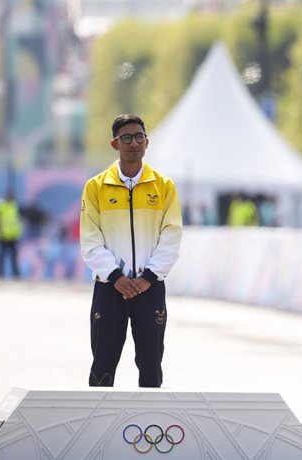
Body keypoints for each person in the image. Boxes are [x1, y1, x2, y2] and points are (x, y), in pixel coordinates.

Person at [80, 114, 182, 388]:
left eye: (139, 137)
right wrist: (116, 278)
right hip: (109, 288)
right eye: (126, 138)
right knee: (102, 364)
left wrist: (149, 276)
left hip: (150, 289)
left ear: (147, 142)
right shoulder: (96, 187)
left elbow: (172, 236)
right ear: (115, 144)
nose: (134, 143)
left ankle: (150, 430)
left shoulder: (164, 186)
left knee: (151, 364)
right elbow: (90, 240)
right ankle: (99, 427)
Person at [0, 189, 22, 278]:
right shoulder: (0, 205)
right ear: (7, 196)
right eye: (11, 195)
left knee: (14, 257)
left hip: (12, 236)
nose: (13, 197)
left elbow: (15, 221)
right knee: (1, 256)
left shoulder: (14, 206)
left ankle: (16, 275)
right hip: (2, 236)